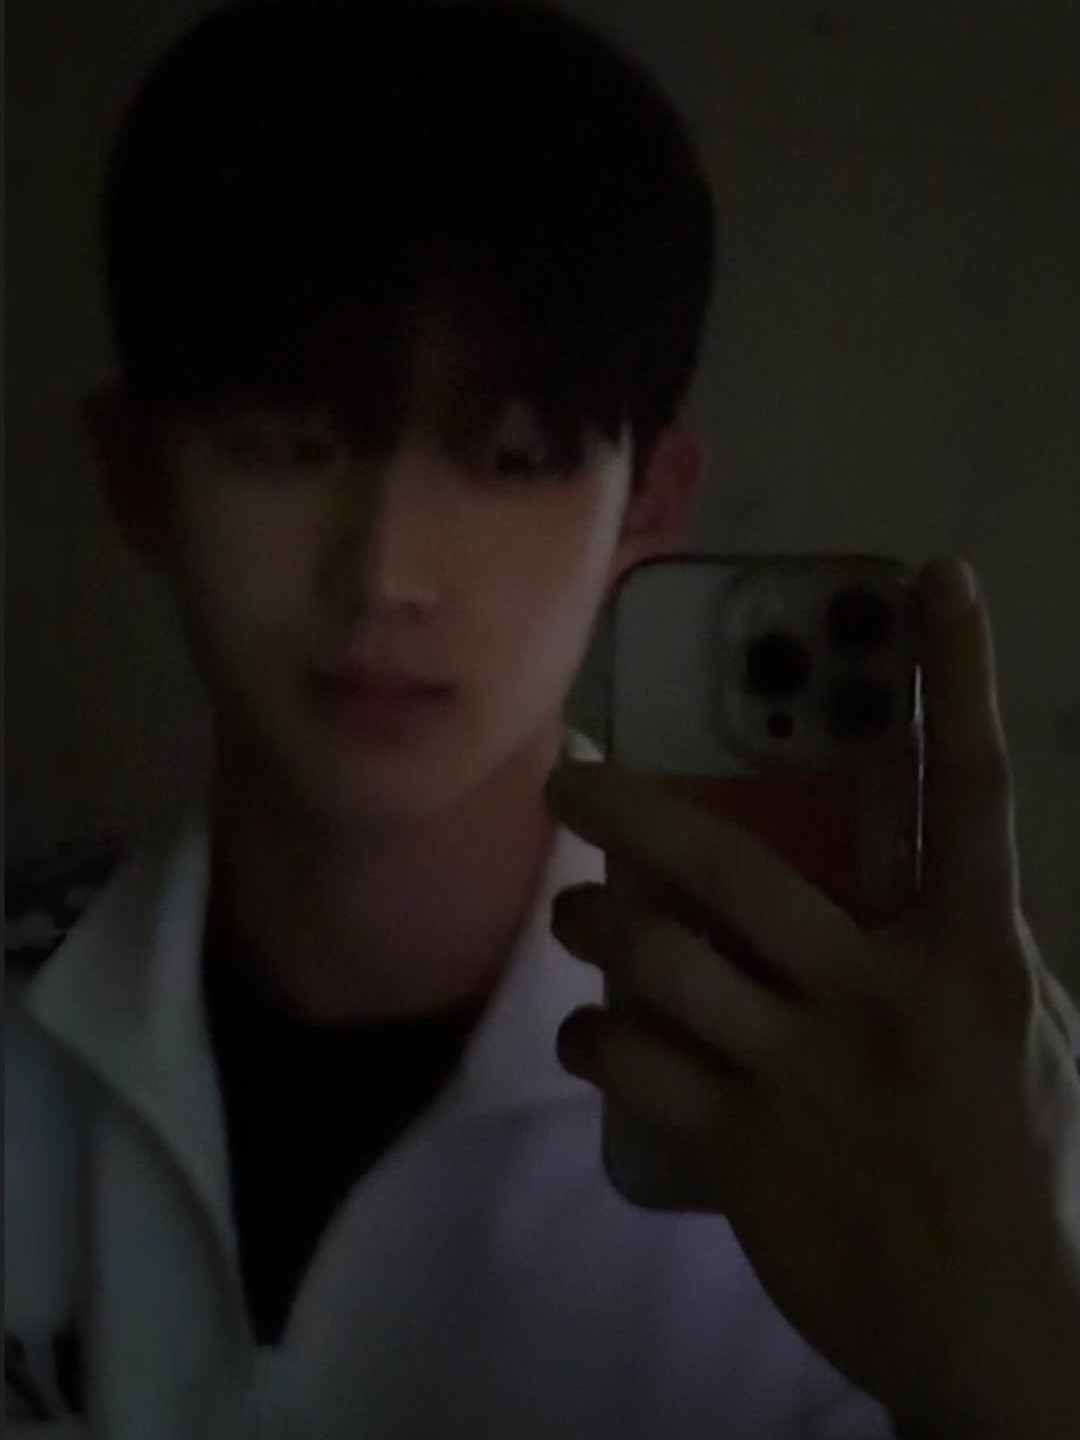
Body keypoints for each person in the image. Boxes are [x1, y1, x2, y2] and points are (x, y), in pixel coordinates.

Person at [7, 2, 1080, 1437]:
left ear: (649, 505)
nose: (384, 576)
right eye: (283, 445)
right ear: (135, 474)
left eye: (510, 457)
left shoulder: (922, 1094)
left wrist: (1011, 1368)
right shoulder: (28, 1014)